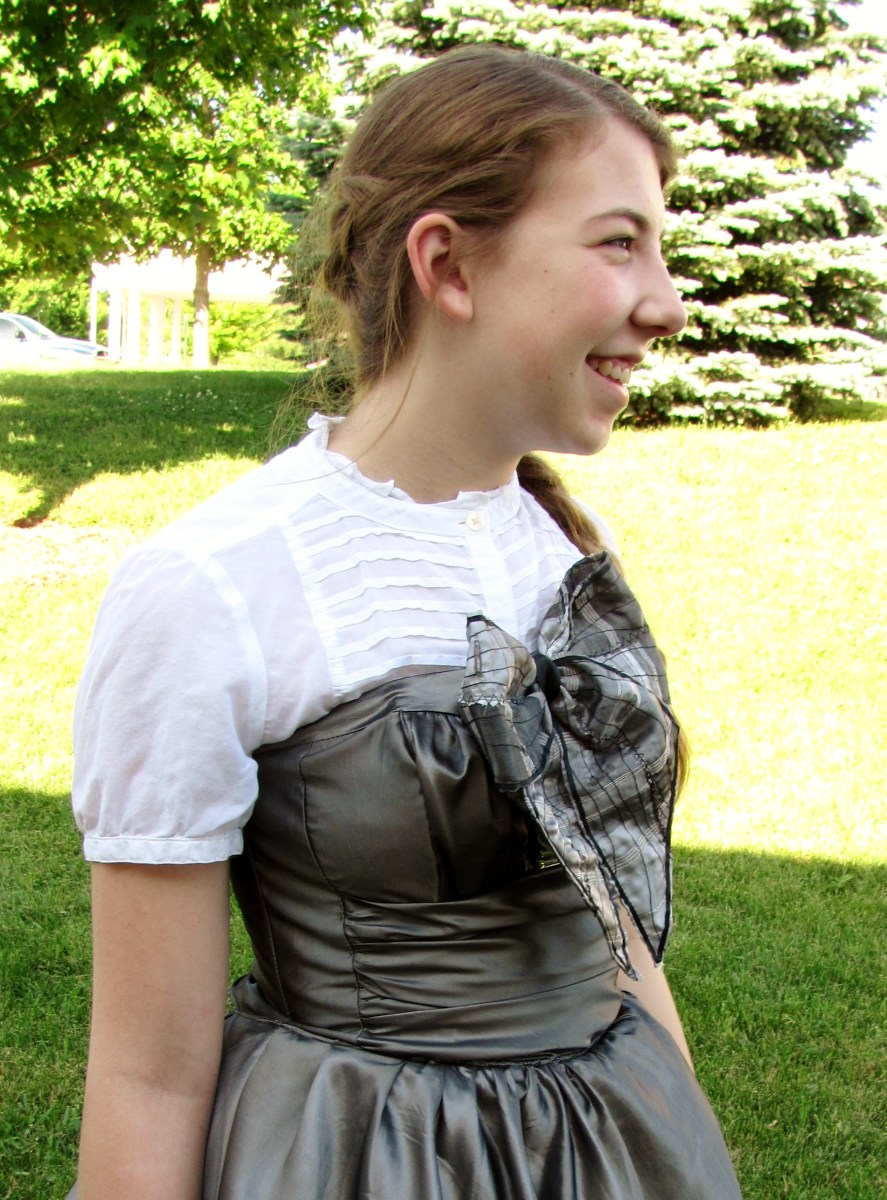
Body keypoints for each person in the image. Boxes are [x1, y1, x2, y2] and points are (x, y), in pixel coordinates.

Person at [69, 46, 743, 1199]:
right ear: (447, 265)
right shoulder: (213, 587)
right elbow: (148, 1075)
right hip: (360, 1158)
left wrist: (677, 1136)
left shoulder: (561, 549)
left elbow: (619, 934)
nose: (665, 303)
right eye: (617, 243)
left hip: (612, 1144)